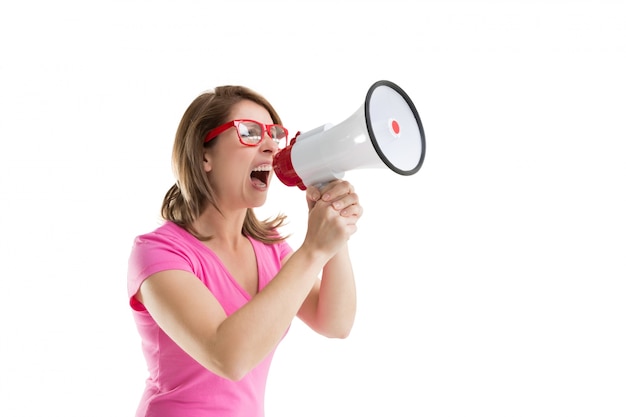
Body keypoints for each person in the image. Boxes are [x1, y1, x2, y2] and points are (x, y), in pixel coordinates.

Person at [127, 85, 363, 417]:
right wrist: (313, 249)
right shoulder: (158, 253)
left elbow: (336, 322)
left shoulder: (271, 249)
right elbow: (229, 356)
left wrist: (333, 232)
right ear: (203, 155)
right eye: (250, 132)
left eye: (273, 134)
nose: (270, 146)